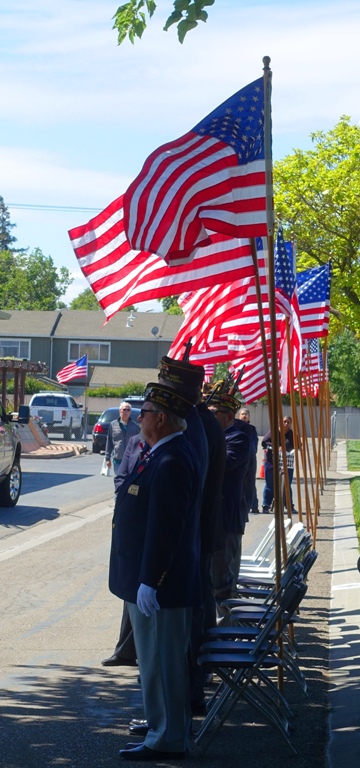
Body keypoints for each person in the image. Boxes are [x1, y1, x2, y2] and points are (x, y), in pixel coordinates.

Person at [109, 384, 201, 760]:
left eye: (144, 412)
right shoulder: (163, 453)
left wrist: (150, 580)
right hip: (155, 581)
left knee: (161, 664)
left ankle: (167, 737)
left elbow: (166, 528)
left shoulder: (171, 459)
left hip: (162, 586)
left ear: (160, 419)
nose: (140, 417)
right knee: (156, 662)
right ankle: (163, 726)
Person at [208, 393, 251, 608]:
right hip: (211, 519)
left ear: (228, 416)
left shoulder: (238, 438)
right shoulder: (214, 437)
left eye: (213, 413)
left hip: (226, 519)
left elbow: (221, 465)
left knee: (223, 581)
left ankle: (226, 633)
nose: (209, 417)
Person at [261, 415, 296, 514]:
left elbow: (295, 444)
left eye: (288, 422)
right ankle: (266, 505)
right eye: (284, 422)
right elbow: (264, 442)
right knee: (270, 485)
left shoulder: (291, 434)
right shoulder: (274, 432)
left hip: (286, 462)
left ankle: (289, 505)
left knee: (286, 485)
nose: (286, 424)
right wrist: (276, 447)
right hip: (271, 462)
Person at [105, 402, 140, 477]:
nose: (126, 412)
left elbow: (139, 444)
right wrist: (107, 458)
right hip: (118, 460)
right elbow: (109, 442)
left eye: (128, 410)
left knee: (128, 481)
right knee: (119, 480)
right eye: (124, 409)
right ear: (120, 411)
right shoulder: (113, 425)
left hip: (131, 460)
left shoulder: (136, 427)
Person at [238, 407, 259, 514]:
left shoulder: (252, 429)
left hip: (250, 459)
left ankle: (254, 505)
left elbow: (254, 443)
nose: (244, 415)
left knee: (250, 482)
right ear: (238, 416)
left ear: (249, 417)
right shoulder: (235, 428)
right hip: (238, 459)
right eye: (242, 414)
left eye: (246, 414)